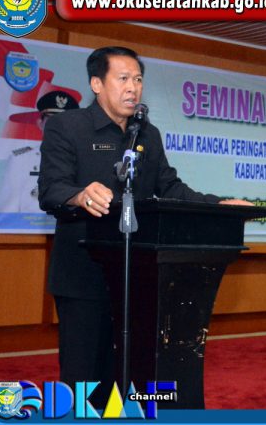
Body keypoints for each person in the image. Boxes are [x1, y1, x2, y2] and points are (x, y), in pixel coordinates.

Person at [37, 46, 251, 404]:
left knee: (131, 374)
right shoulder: (67, 126)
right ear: (96, 83)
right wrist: (79, 195)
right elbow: (51, 189)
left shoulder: (147, 135)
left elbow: (171, 188)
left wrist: (218, 204)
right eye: (123, 78)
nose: (133, 87)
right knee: (84, 376)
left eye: (138, 79)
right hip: (83, 275)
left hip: (137, 276)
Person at [0, 82, 81, 214]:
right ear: (40, 123)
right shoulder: (22, 159)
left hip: (73, 224)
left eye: (65, 122)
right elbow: (8, 208)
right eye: (52, 121)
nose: (59, 128)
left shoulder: (86, 158)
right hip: (31, 224)